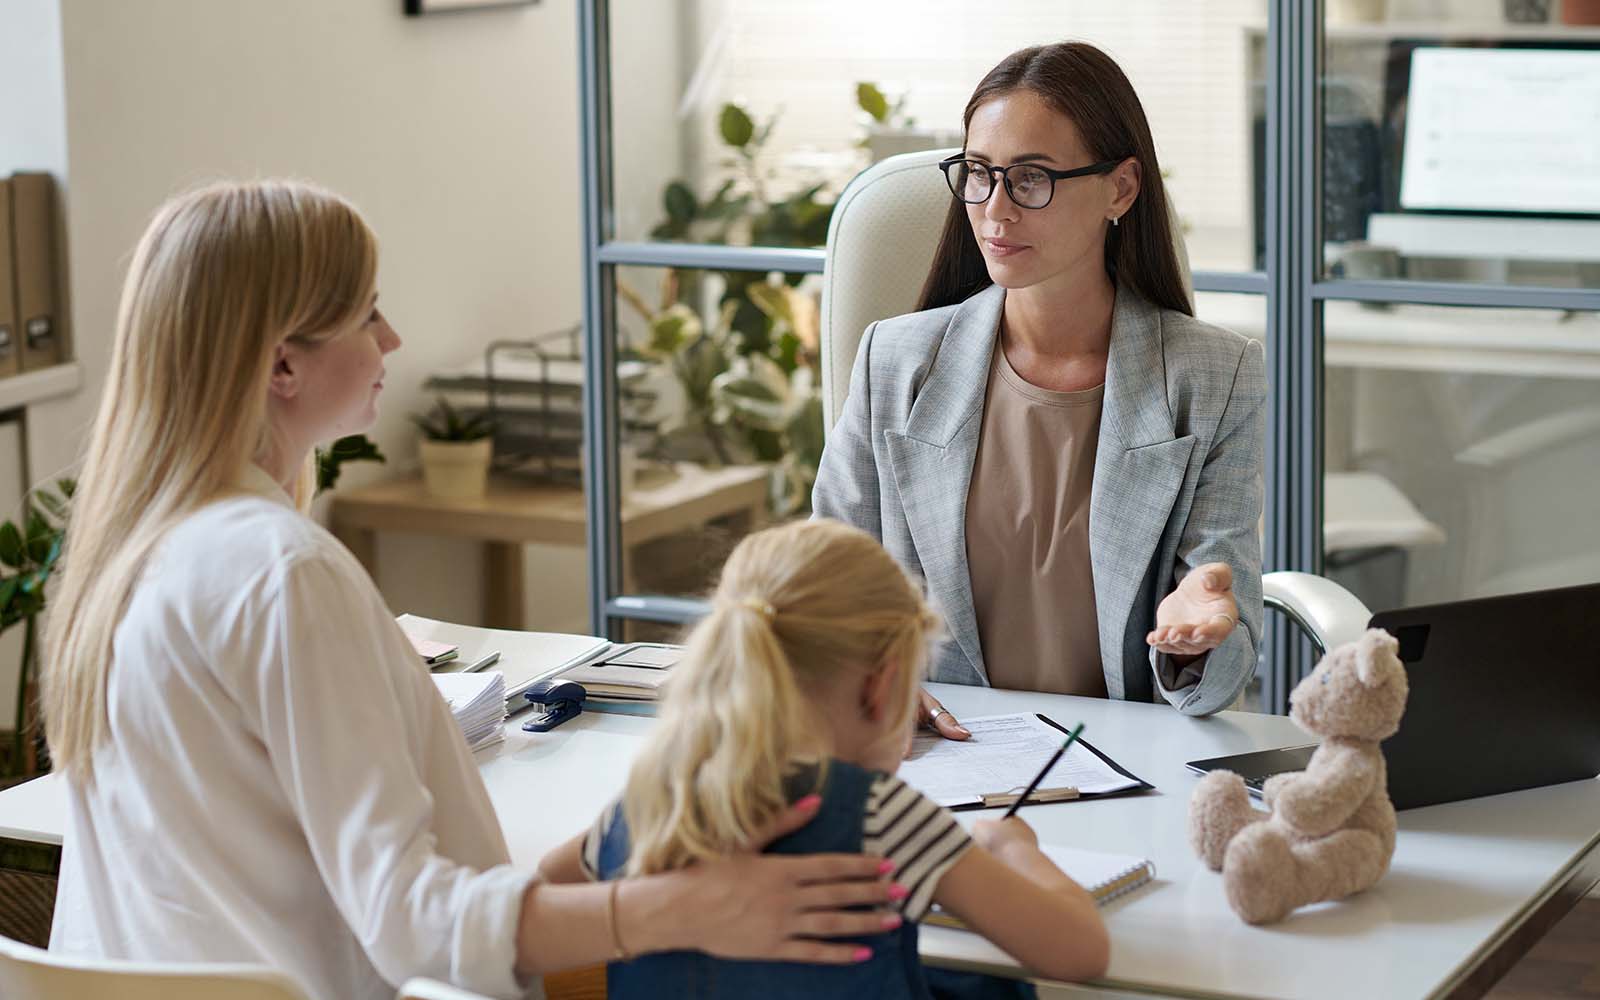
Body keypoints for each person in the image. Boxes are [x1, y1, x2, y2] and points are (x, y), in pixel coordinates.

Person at [41, 180, 899, 1000]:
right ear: (281, 366)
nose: (392, 340)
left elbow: (315, 882)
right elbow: (412, 930)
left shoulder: (137, 553)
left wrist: (607, 846)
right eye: (366, 312)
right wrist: (676, 907)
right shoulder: (282, 573)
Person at [812, 41, 1265, 731]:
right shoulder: (894, 363)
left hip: (1126, 769)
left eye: (1029, 178)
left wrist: (1196, 646)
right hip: (938, 755)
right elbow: (824, 590)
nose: (995, 209)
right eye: (978, 173)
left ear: (1121, 187)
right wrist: (867, 683)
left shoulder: (1214, 379)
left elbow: (1216, 675)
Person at [538, 518, 1111, 999]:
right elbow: (1079, 951)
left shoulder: (653, 799)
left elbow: (547, 884)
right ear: (884, 687)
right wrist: (1016, 850)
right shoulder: (880, 817)